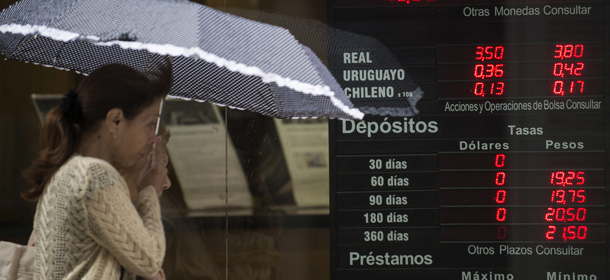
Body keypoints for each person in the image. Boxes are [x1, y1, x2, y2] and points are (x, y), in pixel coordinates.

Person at [22, 63, 171, 280]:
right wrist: (148, 192)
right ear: (115, 121)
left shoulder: (70, 171)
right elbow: (149, 260)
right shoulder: (94, 176)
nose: (152, 137)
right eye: (150, 124)